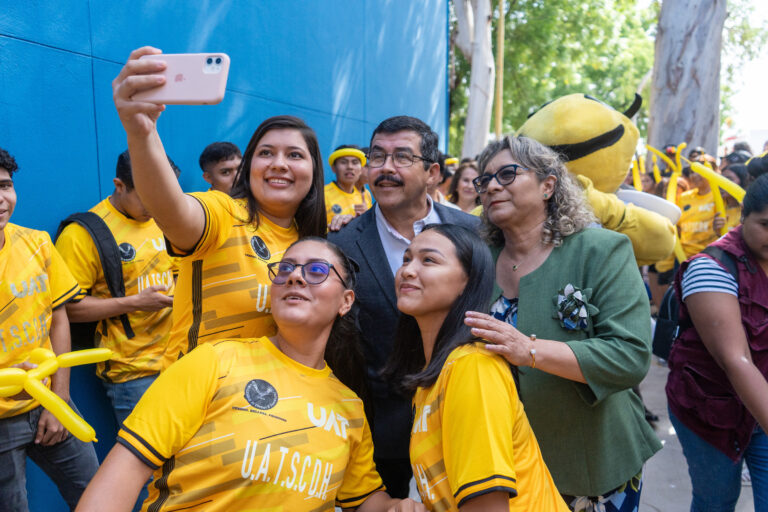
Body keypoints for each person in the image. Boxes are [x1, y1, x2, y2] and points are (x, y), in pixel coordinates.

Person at [76, 238, 424, 512]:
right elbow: (125, 472)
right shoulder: (215, 362)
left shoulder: (348, 408)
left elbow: (363, 501)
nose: (295, 276)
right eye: (285, 268)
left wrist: (400, 506)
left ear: (346, 301)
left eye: (317, 270)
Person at [462, 135, 661, 511]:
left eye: (506, 174)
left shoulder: (601, 250)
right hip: (500, 470)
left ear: (548, 185)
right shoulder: (475, 261)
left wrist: (530, 350)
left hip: (589, 468)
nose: (491, 186)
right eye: (484, 180)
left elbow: (630, 356)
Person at [112, 47, 327, 365]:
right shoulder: (224, 213)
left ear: (314, 171)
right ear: (249, 167)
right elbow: (171, 210)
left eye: (295, 155)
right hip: (206, 404)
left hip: (282, 403)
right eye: (266, 153)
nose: (279, 164)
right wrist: (142, 133)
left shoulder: (315, 244)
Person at [329, 115, 480, 498]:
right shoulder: (342, 246)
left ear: (432, 172)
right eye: (377, 157)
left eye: (401, 157)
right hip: (386, 442)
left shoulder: (476, 233)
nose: (385, 169)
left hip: (471, 425)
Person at [384, 224, 568, 511]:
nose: (407, 270)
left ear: (466, 282)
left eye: (428, 260)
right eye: (406, 259)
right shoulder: (436, 375)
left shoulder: (473, 367)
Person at [0, 147, 99, 510]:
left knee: (97, 496)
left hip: (51, 399)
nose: (1, 199)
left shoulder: (37, 242)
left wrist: (57, 400)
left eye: (5, 185)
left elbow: (59, 319)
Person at [666, 174, 768, 512]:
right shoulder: (710, 268)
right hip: (709, 409)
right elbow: (735, 359)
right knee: (716, 501)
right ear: (743, 215)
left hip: (762, 406)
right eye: (766, 225)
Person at [56, 150, 178, 426]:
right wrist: (135, 302)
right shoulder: (83, 233)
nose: (159, 205)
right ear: (119, 185)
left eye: (165, 194)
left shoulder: (166, 218)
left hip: (180, 359)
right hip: (133, 373)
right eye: (148, 196)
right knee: (147, 466)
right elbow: (68, 310)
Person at [325, 144, 373, 230]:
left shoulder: (366, 195)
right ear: (333, 168)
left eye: (355, 162)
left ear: (361, 169)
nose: (350, 167)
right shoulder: (322, 195)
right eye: (343, 162)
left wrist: (365, 217)